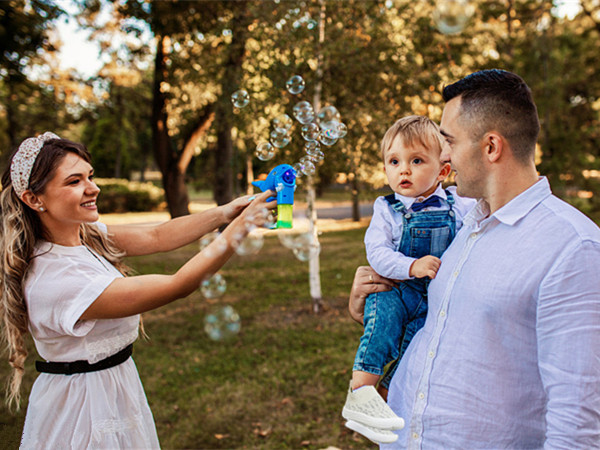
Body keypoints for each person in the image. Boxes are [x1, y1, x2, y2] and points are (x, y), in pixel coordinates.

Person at [348, 69, 600, 448]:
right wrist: (369, 308)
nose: (443, 155)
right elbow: (449, 327)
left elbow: (579, 425)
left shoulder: (573, 249)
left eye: (448, 141)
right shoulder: (467, 225)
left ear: (491, 147)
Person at [0, 133, 275, 449]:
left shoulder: (85, 235)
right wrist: (240, 228)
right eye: (74, 181)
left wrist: (226, 212)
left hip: (113, 386)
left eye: (90, 176)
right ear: (34, 199)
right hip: (84, 406)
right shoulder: (56, 280)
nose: (93, 188)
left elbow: (157, 236)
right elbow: (178, 285)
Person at [341, 116, 475, 444]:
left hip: (433, 298)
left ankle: (384, 397)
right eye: (394, 161)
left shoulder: (459, 203)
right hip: (397, 288)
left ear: (443, 171)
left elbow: (490, 206)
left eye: (416, 161)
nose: (404, 170)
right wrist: (411, 266)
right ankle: (361, 391)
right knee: (382, 327)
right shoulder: (386, 208)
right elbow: (377, 253)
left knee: (414, 348)